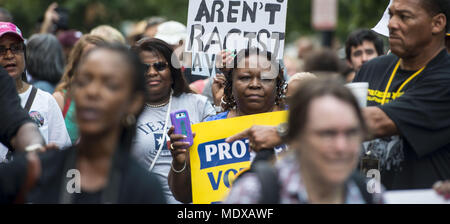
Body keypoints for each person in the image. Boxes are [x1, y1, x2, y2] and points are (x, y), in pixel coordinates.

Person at [0, 43, 166, 203]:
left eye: (110, 85)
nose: (92, 92)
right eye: (84, 81)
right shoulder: (35, 171)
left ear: (134, 102)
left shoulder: (143, 189)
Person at [354, 0, 450, 190]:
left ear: (437, 23)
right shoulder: (371, 69)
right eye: (391, 15)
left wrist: (282, 129)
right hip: (368, 195)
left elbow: (377, 121)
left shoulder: (445, 79)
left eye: (404, 17)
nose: (391, 24)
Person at [225, 79, 382, 204]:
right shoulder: (253, 195)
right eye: (327, 134)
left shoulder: (370, 194)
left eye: (351, 133)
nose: (341, 146)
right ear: (296, 137)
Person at [168, 47, 287, 203]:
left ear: (278, 83)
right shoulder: (208, 129)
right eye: (245, 78)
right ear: (230, 83)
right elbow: (184, 196)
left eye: (265, 78)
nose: (255, 84)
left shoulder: (297, 124)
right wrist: (179, 161)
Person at [130, 37, 215, 204]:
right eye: (144, 68)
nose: (152, 72)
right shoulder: (124, 110)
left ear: (173, 71)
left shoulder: (198, 104)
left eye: (160, 66)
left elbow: (218, 150)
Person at [0, 22, 71, 162]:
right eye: (1, 50)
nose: (9, 55)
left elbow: (62, 151)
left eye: (16, 48)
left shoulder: (46, 101)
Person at [53, 34, 106, 144]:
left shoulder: (112, 100)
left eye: (100, 57)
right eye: (88, 57)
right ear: (76, 62)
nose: (94, 63)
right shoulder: (60, 99)